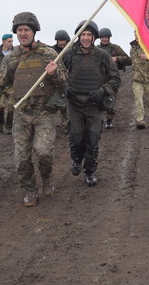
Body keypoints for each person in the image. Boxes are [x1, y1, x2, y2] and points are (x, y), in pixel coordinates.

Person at [0, 12, 67, 207]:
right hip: (21, 114)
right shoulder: (11, 58)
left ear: (34, 31)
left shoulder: (48, 54)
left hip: (44, 113)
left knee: (44, 152)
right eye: (20, 30)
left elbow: (65, 81)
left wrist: (54, 73)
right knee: (21, 158)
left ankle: (46, 179)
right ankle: (30, 190)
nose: (23, 33)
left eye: (26, 30)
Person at [63, 20, 120, 186]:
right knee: (76, 138)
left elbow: (115, 79)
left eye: (89, 35)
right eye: (83, 34)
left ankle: (89, 171)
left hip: (94, 104)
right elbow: (58, 76)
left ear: (94, 37)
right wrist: (65, 87)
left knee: (93, 140)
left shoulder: (103, 56)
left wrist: (102, 90)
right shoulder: (68, 55)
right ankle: (76, 160)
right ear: (79, 36)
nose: (86, 38)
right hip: (74, 104)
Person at [97, 27, 131, 129]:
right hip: (99, 78)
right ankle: (98, 120)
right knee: (97, 99)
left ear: (109, 38)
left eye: (106, 37)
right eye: (102, 37)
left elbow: (128, 59)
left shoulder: (115, 48)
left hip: (112, 77)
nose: (104, 39)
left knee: (110, 99)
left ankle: (109, 120)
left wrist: (117, 58)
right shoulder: (96, 49)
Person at [130, 31, 149, 130]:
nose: (136, 36)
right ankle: (140, 120)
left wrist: (148, 57)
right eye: (135, 34)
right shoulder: (133, 48)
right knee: (138, 100)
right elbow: (132, 60)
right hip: (137, 79)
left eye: (138, 34)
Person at [51, 29, 70, 131]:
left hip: (66, 79)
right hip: (54, 80)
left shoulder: (70, 49)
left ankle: (65, 124)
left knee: (65, 104)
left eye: (63, 40)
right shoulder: (52, 51)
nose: (62, 42)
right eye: (60, 40)